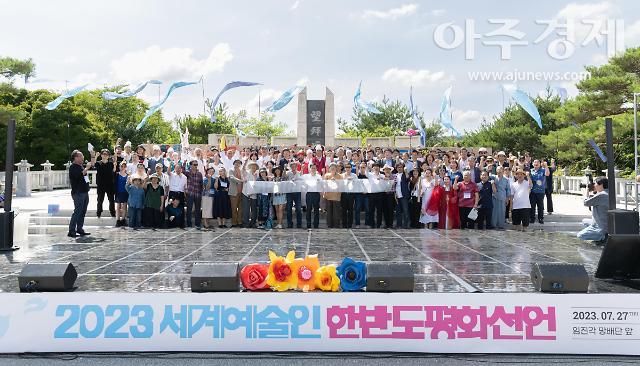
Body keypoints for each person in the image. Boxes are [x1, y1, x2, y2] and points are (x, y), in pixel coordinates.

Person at [67, 149, 96, 238]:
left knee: (83, 211)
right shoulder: (73, 167)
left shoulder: (81, 166)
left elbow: (92, 164)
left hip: (84, 191)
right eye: (81, 156)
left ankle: (80, 228)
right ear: (75, 158)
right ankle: (71, 230)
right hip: (78, 192)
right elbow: (79, 175)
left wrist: (92, 156)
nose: (82, 157)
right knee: (77, 211)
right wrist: (86, 168)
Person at [577, 177, 609, 243]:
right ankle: (595, 234)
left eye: (595, 184)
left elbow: (586, 203)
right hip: (605, 222)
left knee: (580, 235)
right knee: (584, 221)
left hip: (600, 226)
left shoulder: (601, 195)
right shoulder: (608, 193)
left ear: (601, 185)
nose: (594, 185)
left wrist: (586, 191)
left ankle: (602, 237)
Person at [94, 149, 115, 219]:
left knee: (111, 199)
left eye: (106, 154)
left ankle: (112, 212)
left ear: (108, 156)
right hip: (100, 184)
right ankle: (99, 213)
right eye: (103, 154)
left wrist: (114, 162)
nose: (105, 155)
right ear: (101, 155)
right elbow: (93, 164)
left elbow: (114, 170)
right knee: (100, 199)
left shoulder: (111, 163)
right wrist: (96, 156)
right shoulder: (98, 163)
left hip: (110, 184)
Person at [529, 160, 550, 224]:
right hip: (532, 191)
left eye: (537, 162)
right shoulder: (531, 170)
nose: (536, 163)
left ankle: (540, 218)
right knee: (532, 206)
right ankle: (532, 218)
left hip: (540, 191)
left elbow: (547, 174)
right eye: (535, 162)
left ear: (540, 164)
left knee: (540, 206)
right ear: (532, 164)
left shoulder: (543, 170)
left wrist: (546, 166)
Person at [184, 160, 204, 229]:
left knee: (197, 210)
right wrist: (184, 163)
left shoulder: (199, 174)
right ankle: (189, 224)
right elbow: (182, 170)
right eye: (194, 164)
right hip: (190, 193)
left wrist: (201, 193)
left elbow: (201, 184)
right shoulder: (188, 173)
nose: (196, 166)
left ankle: (197, 224)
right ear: (191, 165)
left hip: (198, 194)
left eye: (196, 164)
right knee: (189, 209)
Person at [491, 166, 511, 230]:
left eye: (500, 170)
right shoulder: (493, 177)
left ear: (502, 171)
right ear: (496, 171)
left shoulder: (506, 179)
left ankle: (501, 225)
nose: (499, 171)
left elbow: (508, 189)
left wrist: (507, 198)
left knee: (502, 211)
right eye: (498, 170)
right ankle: (493, 224)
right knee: (494, 211)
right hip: (494, 197)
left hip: (502, 197)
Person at [324, 163, 342, 228]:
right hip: (328, 196)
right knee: (329, 212)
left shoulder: (340, 176)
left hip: (336, 197)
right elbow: (324, 185)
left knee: (336, 212)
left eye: (334, 168)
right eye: (331, 168)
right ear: (329, 169)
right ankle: (329, 225)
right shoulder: (327, 175)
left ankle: (336, 225)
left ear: (336, 169)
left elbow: (341, 186)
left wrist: (336, 181)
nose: (333, 169)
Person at [285, 161, 303, 229]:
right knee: (289, 208)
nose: (293, 168)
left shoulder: (299, 173)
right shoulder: (288, 173)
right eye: (292, 166)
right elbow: (284, 178)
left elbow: (302, 181)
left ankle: (299, 223)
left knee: (298, 208)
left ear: (296, 167)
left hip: (297, 192)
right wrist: (284, 169)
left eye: (294, 166)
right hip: (289, 192)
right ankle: (289, 223)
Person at [304, 164, 322, 229]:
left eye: (314, 168)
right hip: (309, 194)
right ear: (310, 169)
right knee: (308, 210)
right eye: (312, 168)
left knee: (316, 210)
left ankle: (316, 225)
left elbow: (321, 184)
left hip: (316, 194)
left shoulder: (319, 176)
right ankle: (308, 225)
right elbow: (299, 179)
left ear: (316, 169)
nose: (313, 169)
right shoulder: (306, 176)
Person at [241, 161, 259, 228]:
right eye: (252, 166)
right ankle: (246, 223)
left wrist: (254, 177)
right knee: (246, 209)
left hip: (254, 194)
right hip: (245, 193)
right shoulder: (247, 173)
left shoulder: (257, 174)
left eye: (255, 166)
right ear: (250, 167)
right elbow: (242, 169)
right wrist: (245, 162)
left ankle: (253, 223)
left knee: (254, 209)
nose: (253, 167)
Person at [228, 160, 244, 228]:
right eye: (236, 163)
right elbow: (232, 178)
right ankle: (234, 223)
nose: (237, 164)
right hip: (234, 192)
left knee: (240, 209)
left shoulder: (241, 171)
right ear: (234, 163)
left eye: (239, 163)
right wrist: (241, 181)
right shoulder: (231, 170)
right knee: (234, 208)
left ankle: (240, 222)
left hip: (241, 192)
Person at [394, 162, 410, 229]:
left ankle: (406, 225)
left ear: (403, 168)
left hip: (404, 195)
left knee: (405, 211)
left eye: (401, 167)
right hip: (397, 196)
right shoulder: (395, 175)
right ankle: (399, 225)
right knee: (398, 211)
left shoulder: (405, 174)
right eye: (398, 167)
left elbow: (407, 179)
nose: (399, 168)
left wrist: (406, 172)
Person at [354, 163, 370, 228]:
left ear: (366, 168)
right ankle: (357, 223)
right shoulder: (357, 175)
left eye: (363, 167)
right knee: (357, 209)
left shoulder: (368, 176)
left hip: (367, 195)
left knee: (367, 209)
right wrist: (357, 167)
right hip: (358, 195)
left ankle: (367, 223)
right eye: (361, 167)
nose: (362, 169)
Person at [114, 161, 129, 227]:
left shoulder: (128, 175)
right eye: (121, 166)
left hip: (125, 192)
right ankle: (117, 220)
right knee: (118, 206)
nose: (123, 167)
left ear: (126, 167)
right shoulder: (117, 174)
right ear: (119, 167)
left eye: (124, 166)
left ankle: (123, 219)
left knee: (124, 206)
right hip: (118, 192)